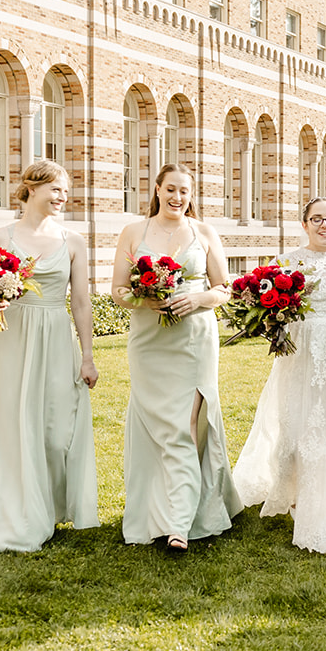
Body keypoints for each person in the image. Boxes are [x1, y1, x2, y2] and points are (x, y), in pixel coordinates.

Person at [0, 160, 100, 554]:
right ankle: (20, 515)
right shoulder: (1, 236)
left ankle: (55, 505)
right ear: (31, 187)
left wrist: (88, 355)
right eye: (56, 189)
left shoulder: (73, 241)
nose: (62, 197)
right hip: (14, 339)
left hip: (56, 336)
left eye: (65, 190)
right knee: (14, 425)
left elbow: (80, 302)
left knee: (57, 428)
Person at [112, 162, 242, 551]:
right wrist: (144, 298)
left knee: (187, 428)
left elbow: (225, 288)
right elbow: (118, 290)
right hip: (149, 342)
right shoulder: (134, 232)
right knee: (157, 426)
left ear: (191, 195)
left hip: (194, 340)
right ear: (156, 189)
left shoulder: (203, 233)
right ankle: (156, 510)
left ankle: (179, 526)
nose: (177, 198)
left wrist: (200, 298)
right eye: (170, 189)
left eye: (184, 191)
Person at [232, 198, 326, 553]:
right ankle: (295, 494)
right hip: (298, 355)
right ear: (305, 223)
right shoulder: (285, 264)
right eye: (317, 218)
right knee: (294, 429)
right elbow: (266, 308)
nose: (325, 224)